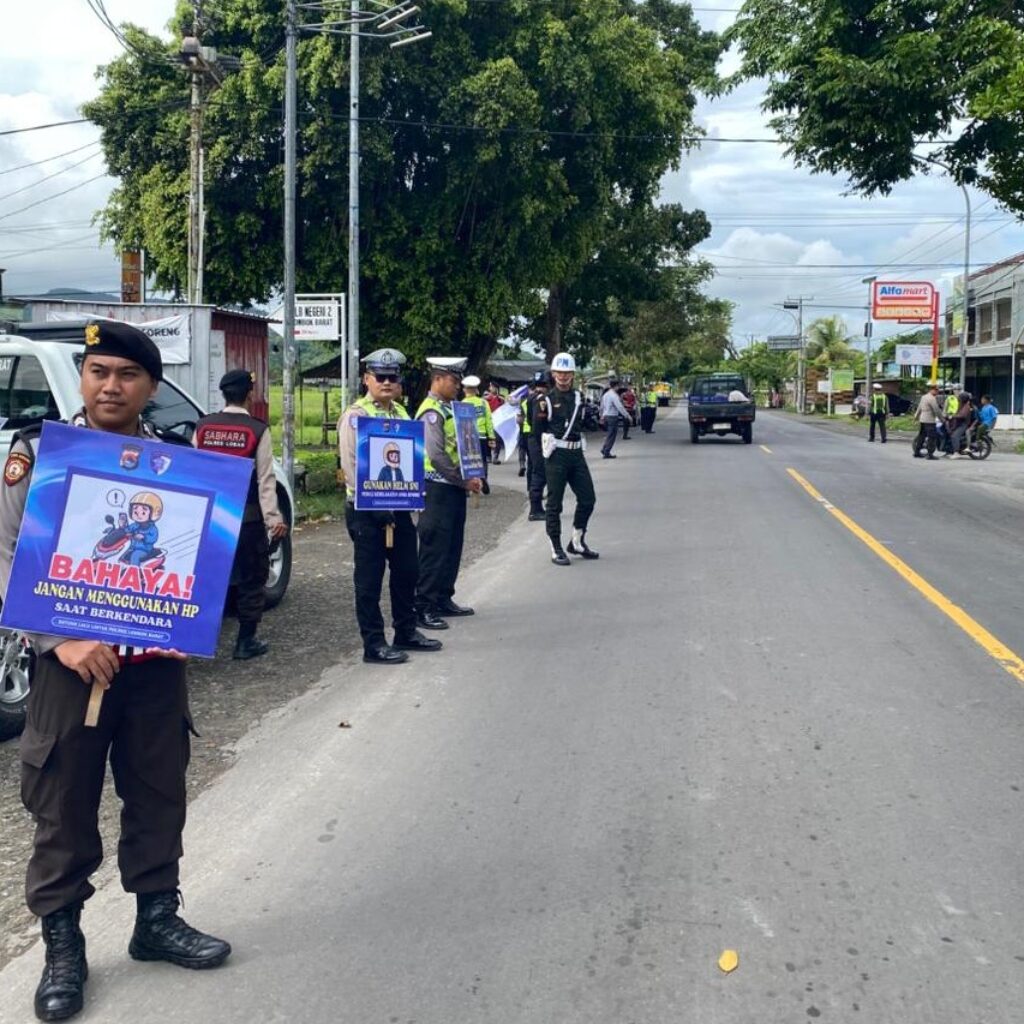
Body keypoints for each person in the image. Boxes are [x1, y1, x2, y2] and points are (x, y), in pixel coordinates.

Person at [0, 321, 230, 1024]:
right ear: (83, 378)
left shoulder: (182, 467)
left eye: (126, 375)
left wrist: (192, 613)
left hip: (154, 667)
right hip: (71, 671)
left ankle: (155, 919)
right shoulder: (40, 453)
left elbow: (200, 556)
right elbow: (7, 551)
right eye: (98, 371)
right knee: (63, 803)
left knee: (159, 791)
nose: (110, 385)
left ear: (150, 388)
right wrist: (60, 638)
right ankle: (63, 946)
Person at [338, 349, 444, 662]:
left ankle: (406, 631)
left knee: (407, 572)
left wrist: (415, 494)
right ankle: (374, 644)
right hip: (365, 510)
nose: (386, 382)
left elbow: (412, 459)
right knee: (369, 580)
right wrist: (371, 503)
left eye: (392, 377)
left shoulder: (401, 414)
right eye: (380, 377)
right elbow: (351, 464)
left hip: (399, 507)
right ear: (366, 379)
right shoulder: (356, 417)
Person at [194, 369, 288, 660]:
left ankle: (197, 641)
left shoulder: (203, 427)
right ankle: (245, 642)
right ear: (249, 394)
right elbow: (265, 480)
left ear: (223, 393)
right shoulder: (257, 430)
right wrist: (274, 520)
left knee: (207, 578)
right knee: (251, 579)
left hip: (211, 521)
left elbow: (195, 471)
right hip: (246, 521)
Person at [415, 358, 483, 625]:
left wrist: (473, 475)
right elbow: (436, 455)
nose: (457, 386)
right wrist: (462, 480)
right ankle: (424, 605)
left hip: (453, 488)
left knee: (452, 546)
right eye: (454, 381)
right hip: (436, 489)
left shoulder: (451, 409)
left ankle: (443, 597)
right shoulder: (431, 412)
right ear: (438, 379)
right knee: (434, 548)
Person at [542, 352, 599, 565]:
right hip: (556, 455)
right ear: (554, 373)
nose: (563, 377)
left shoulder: (578, 397)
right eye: (560, 372)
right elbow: (536, 434)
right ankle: (555, 547)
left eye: (567, 373)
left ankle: (577, 541)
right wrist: (538, 470)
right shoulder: (545, 400)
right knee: (554, 504)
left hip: (576, 454)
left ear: (573, 374)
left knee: (588, 498)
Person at [460, 375, 496, 495]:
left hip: (467, 437)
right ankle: (483, 477)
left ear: (465, 390)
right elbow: (489, 421)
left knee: (468, 462)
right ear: (476, 390)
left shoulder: (462, 404)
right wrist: (491, 437)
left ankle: (467, 487)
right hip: (482, 437)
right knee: (483, 460)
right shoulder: (483, 402)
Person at [524, 371, 549, 520]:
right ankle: (535, 510)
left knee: (536, 473)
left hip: (532, 438)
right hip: (539, 439)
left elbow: (529, 420)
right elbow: (539, 423)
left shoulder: (529, 398)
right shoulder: (542, 400)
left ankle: (537, 508)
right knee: (539, 474)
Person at [912, 381, 943, 460]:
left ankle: (916, 452)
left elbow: (919, 408)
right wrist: (942, 420)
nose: (937, 391)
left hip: (922, 420)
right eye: (936, 390)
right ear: (932, 390)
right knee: (932, 437)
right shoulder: (932, 398)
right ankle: (930, 454)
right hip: (929, 421)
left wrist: (916, 417)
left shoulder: (924, 397)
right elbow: (937, 410)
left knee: (921, 436)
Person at [599, 381, 630, 459]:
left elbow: (602, 406)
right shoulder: (614, 396)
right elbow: (620, 407)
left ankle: (604, 449)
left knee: (609, 434)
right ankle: (606, 452)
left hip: (606, 416)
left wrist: (601, 416)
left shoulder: (605, 395)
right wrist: (627, 415)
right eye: (618, 386)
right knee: (612, 435)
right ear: (616, 386)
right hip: (612, 417)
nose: (618, 388)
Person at [946, 391, 973, 458]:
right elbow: (957, 413)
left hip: (963, 425)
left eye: (960, 398)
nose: (958, 399)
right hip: (959, 423)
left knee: (955, 436)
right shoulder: (961, 405)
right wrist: (951, 414)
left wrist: (953, 416)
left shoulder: (966, 406)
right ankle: (950, 451)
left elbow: (962, 415)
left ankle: (956, 452)